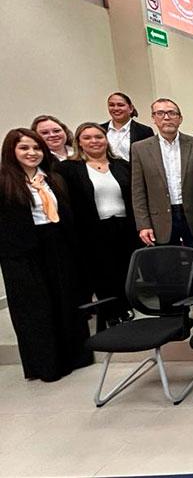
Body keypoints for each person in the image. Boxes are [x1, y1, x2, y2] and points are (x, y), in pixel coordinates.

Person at [0, 128, 93, 382]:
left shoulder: (52, 179)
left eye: (36, 148)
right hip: (23, 254)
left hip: (58, 246)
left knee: (65, 301)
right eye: (24, 148)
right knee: (36, 310)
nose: (32, 153)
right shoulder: (5, 182)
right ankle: (47, 365)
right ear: (11, 151)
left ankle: (75, 357)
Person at [131, 98, 193, 324]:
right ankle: (173, 314)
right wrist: (143, 223)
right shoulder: (140, 148)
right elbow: (138, 189)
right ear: (153, 118)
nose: (166, 117)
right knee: (166, 266)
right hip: (160, 217)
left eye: (171, 113)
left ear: (180, 118)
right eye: (160, 113)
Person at [58, 123, 137, 330]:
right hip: (92, 229)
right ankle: (110, 313)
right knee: (102, 272)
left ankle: (125, 307)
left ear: (106, 140)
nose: (94, 141)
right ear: (79, 142)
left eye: (99, 137)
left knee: (125, 270)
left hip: (123, 226)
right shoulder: (69, 169)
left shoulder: (121, 165)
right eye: (87, 138)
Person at [102, 92, 154, 161]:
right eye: (111, 105)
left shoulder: (144, 131)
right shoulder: (100, 129)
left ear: (131, 108)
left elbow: (149, 158)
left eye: (120, 105)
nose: (116, 108)